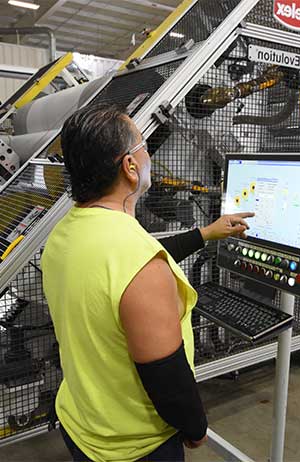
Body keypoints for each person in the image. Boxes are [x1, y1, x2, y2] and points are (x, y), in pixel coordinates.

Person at [41, 104, 254, 462]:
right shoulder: (139, 265)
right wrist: (195, 427)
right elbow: (166, 377)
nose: (148, 155)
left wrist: (204, 233)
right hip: (135, 445)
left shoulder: (65, 234)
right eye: (143, 146)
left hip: (81, 423)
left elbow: (132, 255)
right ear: (129, 166)